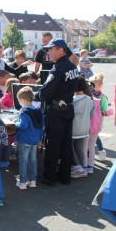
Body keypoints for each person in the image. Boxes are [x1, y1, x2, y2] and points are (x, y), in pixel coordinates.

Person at [34, 38, 80, 186]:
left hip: (56, 111)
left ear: (60, 50)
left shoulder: (58, 68)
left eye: (50, 49)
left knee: (53, 144)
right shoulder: (71, 66)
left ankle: (49, 177)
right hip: (68, 108)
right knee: (66, 144)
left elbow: (47, 92)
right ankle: (65, 176)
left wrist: (35, 95)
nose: (48, 52)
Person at [14, 87, 43, 190]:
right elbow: (41, 127)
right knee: (33, 161)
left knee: (23, 161)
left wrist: (15, 123)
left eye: (18, 100)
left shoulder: (24, 112)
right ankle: (32, 181)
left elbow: (23, 125)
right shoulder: (38, 110)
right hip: (35, 140)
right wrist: (39, 139)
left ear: (23, 100)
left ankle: (22, 182)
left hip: (24, 140)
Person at [70, 76, 94, 178]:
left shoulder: (72, 100)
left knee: (70, 148)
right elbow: (91, 113)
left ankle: (78, 168)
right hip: (84, 128)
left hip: (74, 128)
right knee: (79, 148)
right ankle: (83, 168)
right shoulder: (89, 99)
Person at [89, 74, 109, 161]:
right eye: (91, 84)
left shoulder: (102, 97)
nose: (91, 87)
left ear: (99, 85)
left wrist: (100, 111)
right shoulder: (89, 93)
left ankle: (101, 151)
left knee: (95, 136)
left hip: (96, 120)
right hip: (89, 119)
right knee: (91, 137)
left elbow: (104, 110)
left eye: (93, 85)